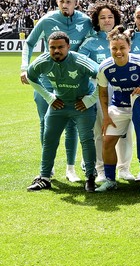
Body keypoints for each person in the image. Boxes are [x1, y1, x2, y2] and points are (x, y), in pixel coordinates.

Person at [20, 0, 92, 183]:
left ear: (76, 3)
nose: (64, 5)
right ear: (57, 1)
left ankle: (71, 168)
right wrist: (25, 67)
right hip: (47, 78)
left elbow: (95, 41)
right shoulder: (47, 20)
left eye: (68, 2)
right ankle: (47, 169)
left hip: (74, 80)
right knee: (45, 123)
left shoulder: (85, 21)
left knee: (71, 124)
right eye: (61, 1)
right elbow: (29, 43)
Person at [25, 32, 100, 192]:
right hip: (58, 104)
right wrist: (49, 97)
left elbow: (103, 76)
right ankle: (44, 177)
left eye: (60, 47)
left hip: (81, 105)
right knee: (49, 138)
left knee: (86, 140)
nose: (56, 51)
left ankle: (90, 177)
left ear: (68, 47)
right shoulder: (43, 61)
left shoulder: (80, 61)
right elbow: (31, 76)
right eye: (52, 47)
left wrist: (90, 100)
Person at [94, 27, 140, 192]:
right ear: (110, 49)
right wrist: (106, 116)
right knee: (107, 142)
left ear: (129, 47)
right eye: (114, 48)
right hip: (119, 107)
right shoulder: (104, 67)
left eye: (122, 48)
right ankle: (110, 180)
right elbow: (102, 93)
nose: (118, 51)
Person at [79, 3, 135, 182]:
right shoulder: (90, 41)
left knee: (126, 131)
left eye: (110, 17)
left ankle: (124, 168)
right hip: (99, 89)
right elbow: (81, 64)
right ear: (96, 21)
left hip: (122, 90)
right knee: (101, 130)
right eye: (102, 18)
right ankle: (101, 169)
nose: (107, 20)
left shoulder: (123, 39)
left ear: (115, 19)